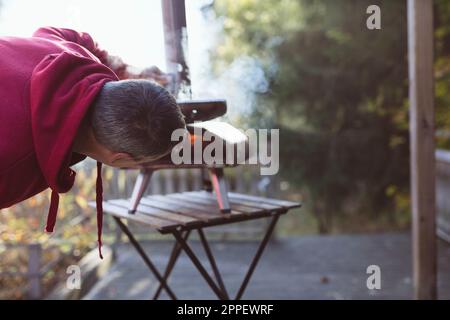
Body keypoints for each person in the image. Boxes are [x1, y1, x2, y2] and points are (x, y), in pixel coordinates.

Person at [0, 27, 186, 257]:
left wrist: (127, 70)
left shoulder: (71, 53)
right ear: (120, 159)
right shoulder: (11, 166)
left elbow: (69, 36)